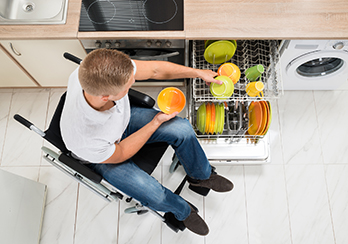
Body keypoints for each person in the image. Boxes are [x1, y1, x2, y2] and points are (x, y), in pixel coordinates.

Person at [60, 49, 233, 236]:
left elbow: (155, 70)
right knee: (153, 194)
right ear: (105, 97)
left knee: (182, 129)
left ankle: (200, 177)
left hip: (120, 122)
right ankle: (182, 211)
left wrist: (198, 73)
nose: (133, 82)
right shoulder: (85, 138)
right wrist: (155, 123)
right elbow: (121, 152)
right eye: (127, 87)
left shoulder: (95, 69)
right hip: (105, 155)